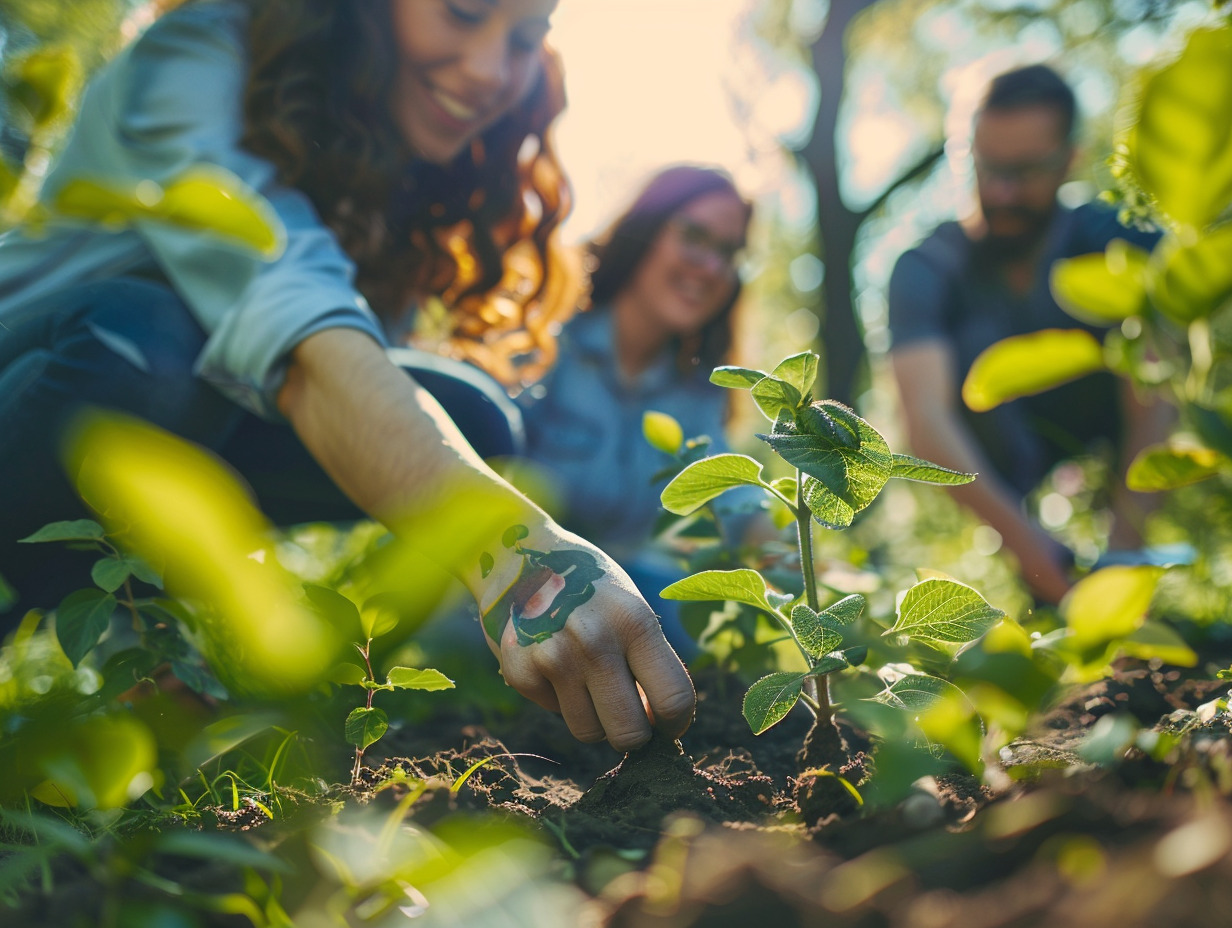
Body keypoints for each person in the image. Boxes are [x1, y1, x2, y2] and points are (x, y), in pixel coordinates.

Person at [0, 0, 695, 752]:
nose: (492, 69)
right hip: (45, 389)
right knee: (155, 337)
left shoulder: (396, 165)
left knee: (473, 420)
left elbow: (343, 392)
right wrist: (519, 552)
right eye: (463, 13)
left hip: (173, 423)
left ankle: (206, 670)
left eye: (525, 39)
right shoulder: (195, 52)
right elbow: (290, 321)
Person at [886, 63, 1167, 605]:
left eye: (1025, 171)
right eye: (985, 167)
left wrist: (1122, 556)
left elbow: (1157, 395)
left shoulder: (1118, 242)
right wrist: (1029, 547)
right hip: (1001, 457)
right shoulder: (925, 269)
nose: (1002, 190)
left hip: (1104, 437)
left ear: (1069, 161)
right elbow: (926, 422)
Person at [518, 165, 761, 654]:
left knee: (673, 599)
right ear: (644, 231)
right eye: (694, 236)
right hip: (506, 596)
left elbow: (738, 510)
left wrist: (817, 582)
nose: (711, 267)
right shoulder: (544, 336)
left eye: (728, 252)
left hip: (614, 606)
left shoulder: (695, 395)